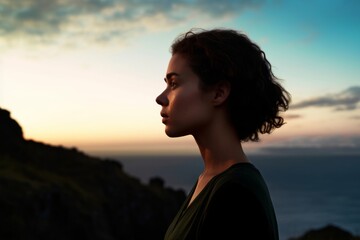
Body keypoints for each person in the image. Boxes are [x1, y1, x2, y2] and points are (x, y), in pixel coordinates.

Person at [156, 28, 290, 240]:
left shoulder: (236, 195)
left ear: (218, 93)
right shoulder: (210, 179)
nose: (161, 98)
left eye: (174, 84)